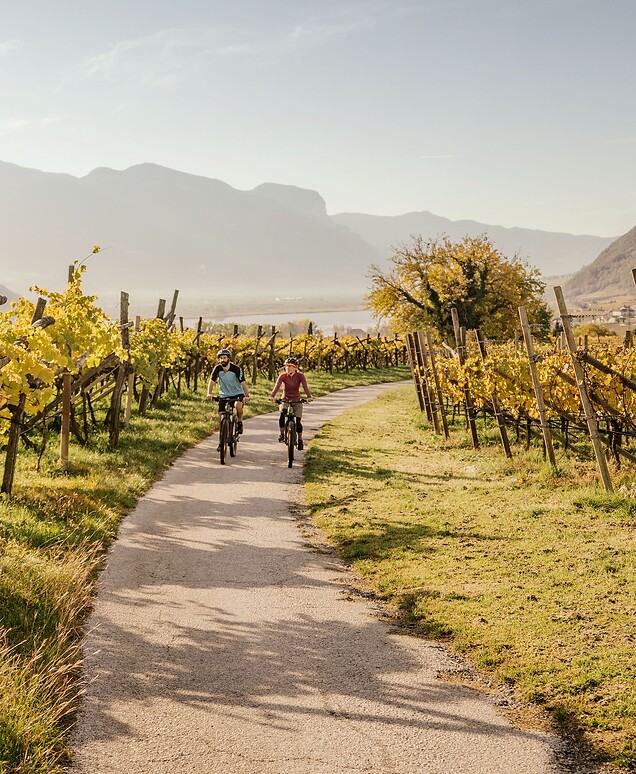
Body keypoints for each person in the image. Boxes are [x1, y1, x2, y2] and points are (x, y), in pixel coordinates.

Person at [269, 356, 313, 450]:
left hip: (297, 399)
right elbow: (277, 386)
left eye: (290, 366)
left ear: (295, 367)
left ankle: (300, 439)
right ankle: (282, 434)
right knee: (282, 414)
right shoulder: (283, 376)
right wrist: (272, 396)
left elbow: (305, 386)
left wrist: (309, 396)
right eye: (286, 366)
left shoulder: (300, 376)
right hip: (285, 399)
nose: (288, 368)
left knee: (298, 421)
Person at [207, 349, 250, 435]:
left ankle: (239, 422)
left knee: (238, 406)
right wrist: (209, 393)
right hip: (224, 394)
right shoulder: (217, 368)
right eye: (221, 358)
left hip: (237, 393)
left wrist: (247, 395)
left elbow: (243, 383)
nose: (222, 360)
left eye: (224, 358)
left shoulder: (236, 369)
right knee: (220, 414)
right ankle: (222, 437)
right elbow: (211, 382)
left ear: (228, 359)